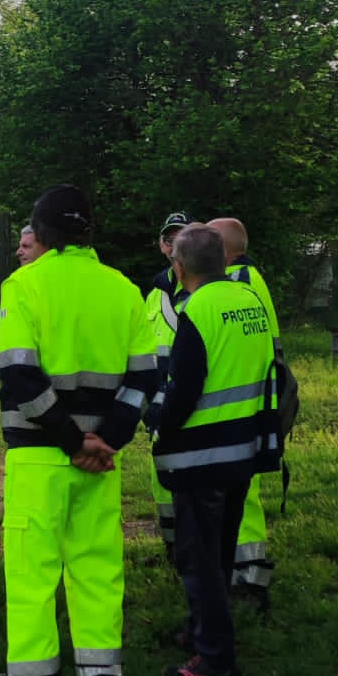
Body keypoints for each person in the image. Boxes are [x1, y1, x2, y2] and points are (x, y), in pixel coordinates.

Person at [0, 184, 158, 676]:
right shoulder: (124, 290)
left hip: (40, 457)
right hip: (102, 463)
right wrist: (107, 439)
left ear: (40, 233)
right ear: (89, 232)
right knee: (97, 572)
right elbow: (144, 377)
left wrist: (70, 441)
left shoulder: (23, 285)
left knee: (32, 577)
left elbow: (19, 376)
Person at [154, 225, 279, 676]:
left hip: (200, 457)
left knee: (200, 560)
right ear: (223, 260)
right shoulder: (249, 301)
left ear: (179, 267)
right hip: (243, 450)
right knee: (220, 552)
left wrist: (158, 426)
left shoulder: (197, 310)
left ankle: (214, 658)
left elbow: (183, 389)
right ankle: (201, 631)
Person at [206, 216, 282, 609]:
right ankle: (243, 573)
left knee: (243, 494)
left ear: (224, 250)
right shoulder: (249, 279)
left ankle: (249, 578)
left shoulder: (237, 283)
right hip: (254, 404)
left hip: (242, 408)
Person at [144, 216, 200, 561]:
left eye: (182, 237)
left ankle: (198, 551)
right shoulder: (154, 294)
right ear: (162, 245)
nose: (173, 244)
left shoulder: (206, 291)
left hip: (196, 405)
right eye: (169, 238)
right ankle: (173, 549)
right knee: (161, 480)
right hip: (159, 409)